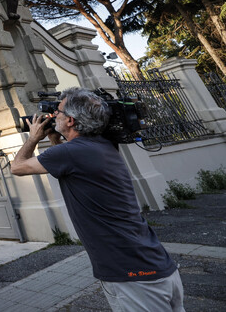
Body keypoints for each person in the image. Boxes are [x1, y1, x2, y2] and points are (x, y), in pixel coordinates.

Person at [10, 87, 184, 312]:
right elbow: (69, 163)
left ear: (71, 121)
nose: (54, 116)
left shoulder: (71, 153)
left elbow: (17, 167)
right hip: (157, 266)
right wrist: (56, 138)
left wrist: (33, 138)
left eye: (58, 112)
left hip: (132, 276)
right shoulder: (103, 146)